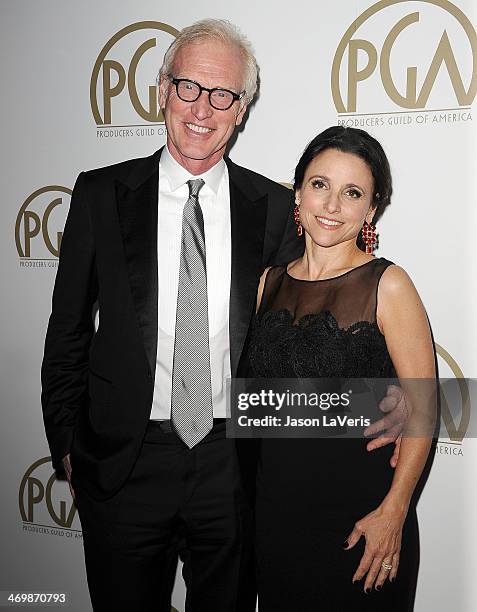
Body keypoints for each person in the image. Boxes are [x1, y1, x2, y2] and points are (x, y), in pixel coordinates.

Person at [41, 20, 405, 612]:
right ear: (162, 88)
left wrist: (389, 397)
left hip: (235, 466)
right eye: (188, 87)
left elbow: (318, 326)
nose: (203, 108)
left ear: (242, 109)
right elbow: (67, 332)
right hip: (125, 464)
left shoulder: (275, 209)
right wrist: (66, 444)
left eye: (223, 95)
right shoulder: (100, 195)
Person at [244, 126, 436, 611]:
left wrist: (393, 513)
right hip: (276, 520)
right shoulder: (266, 283)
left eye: (352, 193)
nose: (331, 206)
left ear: (370, 210)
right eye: (319, 185)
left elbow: (428, 408)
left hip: (364, 523)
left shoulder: (388, 284)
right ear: (298, 192)